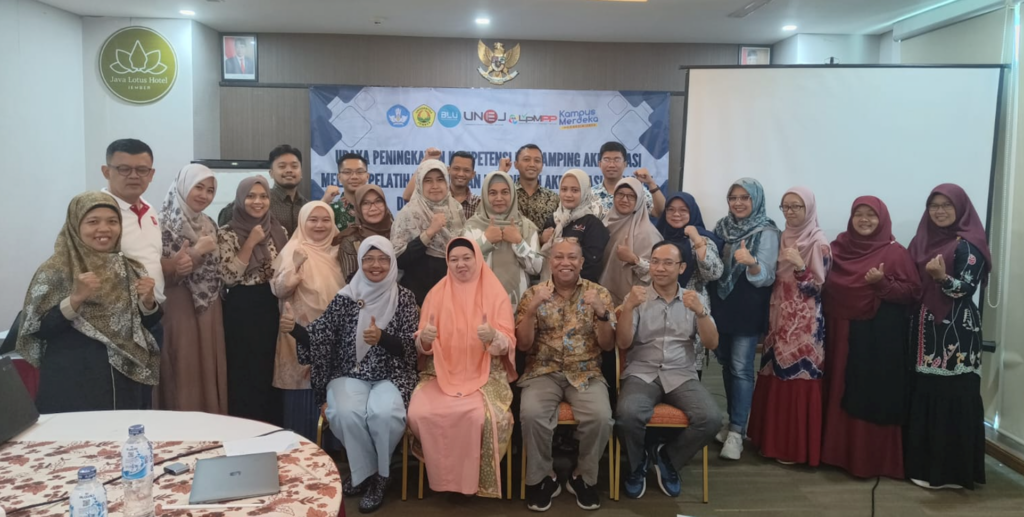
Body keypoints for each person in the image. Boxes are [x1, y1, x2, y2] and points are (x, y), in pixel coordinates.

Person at [284, 236, 418, 513]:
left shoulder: (404, 298)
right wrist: (294, 329)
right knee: (345, 413)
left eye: (382, 259)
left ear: (392, 263)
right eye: (368, 259)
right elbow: (321, 337)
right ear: (360, 262)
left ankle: (381, 476)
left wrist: (382, 338)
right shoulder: (346, 297)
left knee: (384, 414)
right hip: (349, 372)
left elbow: (411, 348)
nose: (375, 265)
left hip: (392, 375)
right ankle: (368, 473)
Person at [16, 192, 162, 413]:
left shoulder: (130, 268)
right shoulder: (55, 271)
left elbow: (146, 324)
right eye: (93, 222)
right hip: (72, 379)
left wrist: (148, 302)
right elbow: (38, 329)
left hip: (124, 380)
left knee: (121, 431)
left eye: (112, 221)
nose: (104, 229)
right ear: (75, 225)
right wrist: (75, 299)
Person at [407, 238, 517, 498]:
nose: (460, 264)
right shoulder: (436, 294)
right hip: (440, 372)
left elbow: (508, 343)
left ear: (477, 258)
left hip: (486, 372)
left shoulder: (495, 293)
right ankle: (443, 478)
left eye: (466, 258)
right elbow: (422, 344)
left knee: (479, 417)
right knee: (420, 412)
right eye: (454, 259)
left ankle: (470, 482)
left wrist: (494, 337)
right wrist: (424, 340)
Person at [821, 196, 921, 479]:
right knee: (838, 388)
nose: (864, 220)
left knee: (868, 393)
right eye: (858, 214)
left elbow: (912, 293)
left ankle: (867, 461)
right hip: (839, 332)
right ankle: (834, 454)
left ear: (882, 219)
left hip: (875, 338)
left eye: (871, 215)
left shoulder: (895, 253)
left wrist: (882, 284)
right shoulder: (837, 249)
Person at [616, 241, 722, 499]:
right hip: (642, 372)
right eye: (655, 261)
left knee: (711, 419)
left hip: (681, 373)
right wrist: (628, 308)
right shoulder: (637, 297)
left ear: (681, 267)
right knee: (628, 413)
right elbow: (623, 343)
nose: (659, 268)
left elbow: (712, 343)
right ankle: (637, 465)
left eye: (667, 263)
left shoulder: (693, 299)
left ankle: (667, 458)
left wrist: (701, 314)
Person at [516, 239, 616, 512]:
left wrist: (602, 314)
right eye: (559, 257)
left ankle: (582, 476)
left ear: (581, 263)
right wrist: (532, 309)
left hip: (586, 371)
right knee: (532, 414)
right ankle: (544, 478)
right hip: (542, 371)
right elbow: (523, 345)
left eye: (572, 257)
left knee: (600, 417)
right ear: (550, 262)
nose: (565, 262)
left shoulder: (599, 293)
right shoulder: (533, 293)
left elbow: (608, 346)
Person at [905, 184, 992, 490]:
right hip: (924, 332)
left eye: (946, 205)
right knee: (926, 392)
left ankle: (951, 473)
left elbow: (966, 288)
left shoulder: (969, 245)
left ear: (960, 208)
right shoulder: (921, 241)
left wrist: (942, 278)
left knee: (952, 395)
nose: (939, 211)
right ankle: (923, 467)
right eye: (934, 205)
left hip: (956, 333)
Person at [747, 187, 832, 466]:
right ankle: (769, 441)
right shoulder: (782, 237)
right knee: (773, 372)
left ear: (809, 209)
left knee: (797, 378)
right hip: (778, 317)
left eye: (797, 206)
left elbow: (817, 290)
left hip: (804, 323)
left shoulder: (818, 243)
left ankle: (793, 448)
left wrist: (800, 267)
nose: (790, 212)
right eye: (786, 206)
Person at [710, 178, 780, 461]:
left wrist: (752, 263)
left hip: (748, 306)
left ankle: (738, 432)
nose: (738, 203)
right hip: (721, 305)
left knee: (741, 368)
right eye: (733, 198)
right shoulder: (721, 227)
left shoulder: (767, 231)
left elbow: (767, 277)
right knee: (727, 364)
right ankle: (732, 422)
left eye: (744, 198)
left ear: (756, 200)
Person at [154, 164, 227, 414]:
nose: (204, 195)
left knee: (207, 365)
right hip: (177, 305)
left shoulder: (209, 223)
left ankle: (211, 423)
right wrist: (196, 252)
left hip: (209, 307)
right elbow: (159, 273)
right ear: (183, 186)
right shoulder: (161, 224)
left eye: (210, 190)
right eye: (199, 187)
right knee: (182, 367)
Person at [218, 176, 289, 426]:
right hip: (242, 308)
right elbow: (228, 277)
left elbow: (283, 270)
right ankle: (245, 427)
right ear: (240, 199)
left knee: (270, 369)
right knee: (245, 372)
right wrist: (250, 242)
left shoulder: (279, 231)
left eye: (263, 196)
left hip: (272, 305)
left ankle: (272, 428)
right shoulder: (226, 234)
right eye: (251, 196)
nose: (257, 201)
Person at [271, 201, 342, 441]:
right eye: (313, 220)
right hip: (299, 331)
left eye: (326, 220)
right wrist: (297, 266)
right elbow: (279, 289)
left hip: (333, 334)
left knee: (334, 389)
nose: (320, 225)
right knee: (304, 392)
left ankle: (334, 450)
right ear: (303, 222)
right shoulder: (294, 249)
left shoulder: (338, 251)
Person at [655, 192, 725, 380]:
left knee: (690, 365)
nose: (676, 214)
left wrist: (697, 240)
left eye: (683, 210)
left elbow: (714, 273)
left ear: (692, 212)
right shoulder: (658, 236)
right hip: (659, 307)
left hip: (691, 307)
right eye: (671, 210)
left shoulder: (702, 239)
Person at [391, 159, 466, 305]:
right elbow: (398, 260)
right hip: (418, 298)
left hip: (453, 294)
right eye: (428, 181)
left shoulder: (456, 209)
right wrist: (429, 233)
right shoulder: (408, 214)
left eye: (440, 179)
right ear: (419, 184)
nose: (435, 186)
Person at [101, 139, 165, 307]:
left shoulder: (150, 210)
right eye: (124, 169)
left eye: (142, 170)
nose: (134, 176)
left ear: (151, 174)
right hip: (115, 312)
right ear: (106, 172)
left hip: (152, 308)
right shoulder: (97, 212)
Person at [464, 171, 543, 307]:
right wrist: (485, 241)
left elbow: (537, 268)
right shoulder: (472, 227)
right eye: (493, 193)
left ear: (512, 195)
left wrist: (519, 242)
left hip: (519, 306)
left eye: (505, 192)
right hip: (480, 305)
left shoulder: (526, 227)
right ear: (485, 196)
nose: (499, 198)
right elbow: (463, 266)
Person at [218, 145, 307, 235]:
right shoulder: (261, 201)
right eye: (282, 166)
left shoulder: (306, 205)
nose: (289, 170)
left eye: (294, 166)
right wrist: (245, 195)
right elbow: (223, 220)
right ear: (271, 173)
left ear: (301, 172)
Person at [540, 169, 609, 283]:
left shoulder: (592, 224)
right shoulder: (553, 220)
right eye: (564, 189)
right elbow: (541, 258)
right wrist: (541, 241)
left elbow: (592, 266)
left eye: (575, 190)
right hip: (549, 287)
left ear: (585, 192)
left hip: (581, 288)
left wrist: (565, 283)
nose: (568, 195)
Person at [600, 177, 662, 305]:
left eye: (631, 196)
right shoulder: (606, 224)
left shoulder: (648, 233)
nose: (624, 200)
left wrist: (634, 259)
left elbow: (659, 272)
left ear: (639, 200)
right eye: (620, 194)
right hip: (605, 296)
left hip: (637, 302)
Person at [591, 141, 664, 218]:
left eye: (617, 160)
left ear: (625, 164)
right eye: (607, 160)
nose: (611, 165)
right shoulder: (590, 194)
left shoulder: (637, 191)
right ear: (599, 164)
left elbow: (659, 212)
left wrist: (651, 183)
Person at [402, 149, 480, 219]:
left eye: (466, 170)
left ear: (473, 174)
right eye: (456, 169)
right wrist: (425, 162)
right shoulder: (435, 195)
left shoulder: (479, 203)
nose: (460, 174)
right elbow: (407, 196)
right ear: (448, 170)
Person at [339, 184, 393, 281]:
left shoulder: (397, 233)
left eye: (378, 201)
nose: (373, 208)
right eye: (366, 203)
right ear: (358, 208)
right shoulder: (351, 241)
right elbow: (351, 280)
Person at [510, 144, 559, 231]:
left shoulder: (553, 198)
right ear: (516, 164)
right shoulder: (507, 194)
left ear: (542, 166)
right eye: (526, 159)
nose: (532, 164)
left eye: (537, 161)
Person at [323, 152, 370, 233]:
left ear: (367, 176)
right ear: (339, 177)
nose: (354, 177)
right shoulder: (330, 210)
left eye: (359, 172)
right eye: (347, 172)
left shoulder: (377, 208)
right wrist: (324, 201)